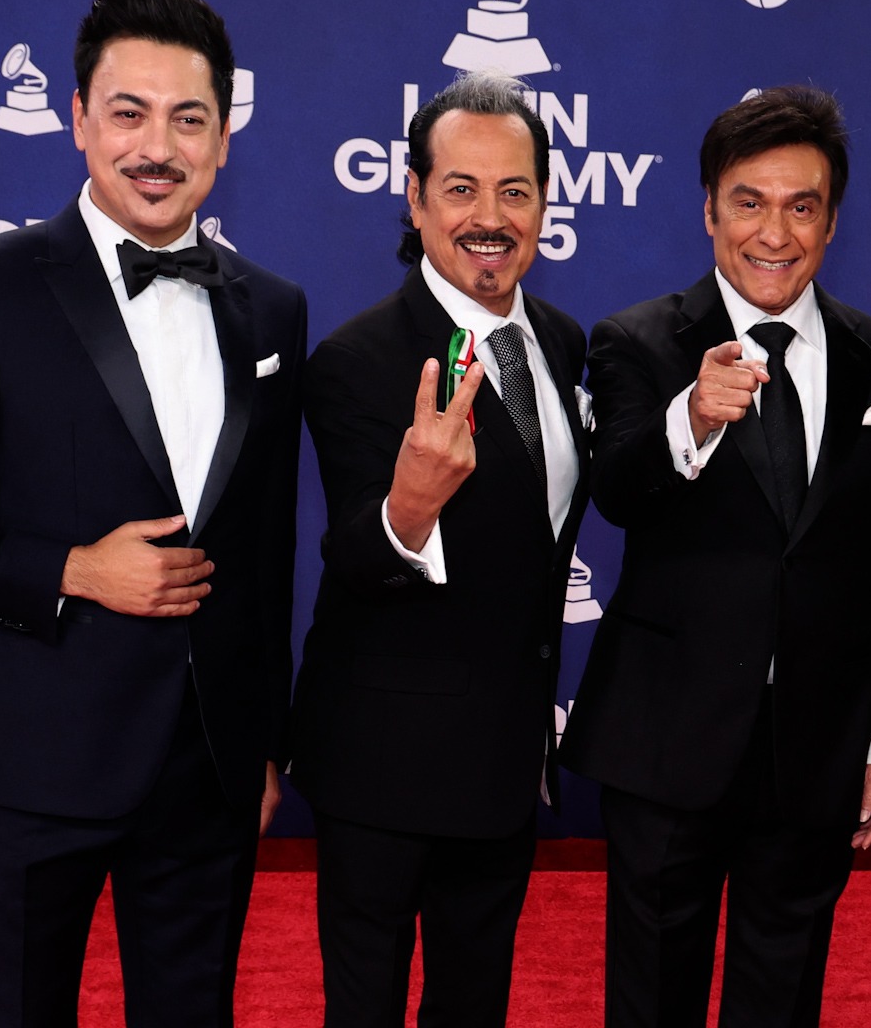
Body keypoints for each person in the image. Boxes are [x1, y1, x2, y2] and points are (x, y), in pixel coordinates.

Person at [0, 0, 304, 1026]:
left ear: (225, 139)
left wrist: (267, 742)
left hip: (210, 768)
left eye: (189, 118)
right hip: (37, 754)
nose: (159, 146)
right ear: (78, 123)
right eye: (129, 112)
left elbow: (269, 547)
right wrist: (71, 570)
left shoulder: (272, 309)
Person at [558, 85, 871, 1028]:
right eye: (749, 203)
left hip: (819, 744)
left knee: (784, 989)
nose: (775, 232)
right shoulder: (638, 340)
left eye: (801, 206)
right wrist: (690, 417)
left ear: (832, 221)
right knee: (651, 994)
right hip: (666, 737)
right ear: (709, 211)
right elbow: (616, 490)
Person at [286, 71, 588, 1028]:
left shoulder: (565, 343)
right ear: (414, 200)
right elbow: (353, 557)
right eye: (460, 189)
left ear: (544, 202)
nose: (489, 217)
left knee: (475, 1005)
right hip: (384, 764)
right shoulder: (357, 358)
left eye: (514, 191)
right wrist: (407, 509)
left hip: (507, 763)